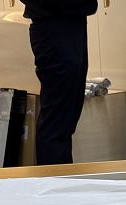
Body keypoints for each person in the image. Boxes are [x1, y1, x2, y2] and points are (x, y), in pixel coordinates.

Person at [21, 0, 98, 165]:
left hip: (73, 21)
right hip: (53, 25)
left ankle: (62, 176)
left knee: (66, 121)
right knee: (56, 122)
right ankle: (54, 179)